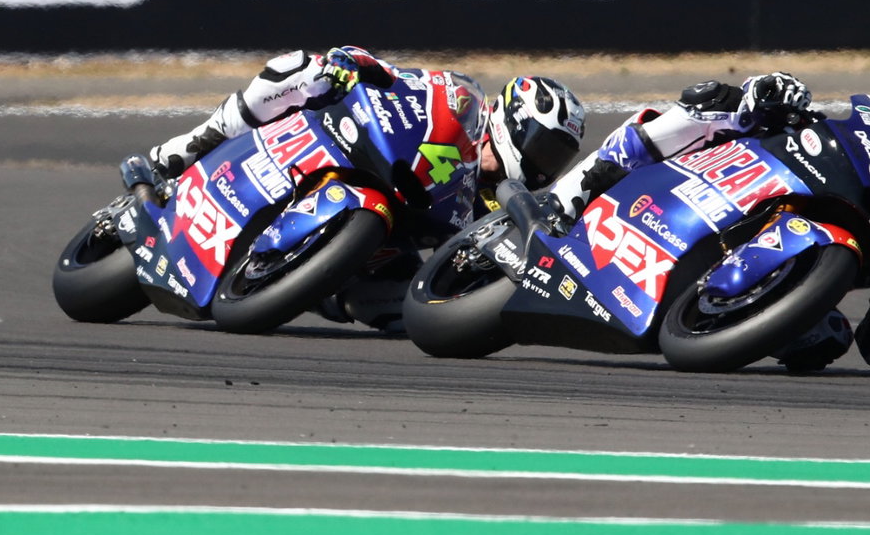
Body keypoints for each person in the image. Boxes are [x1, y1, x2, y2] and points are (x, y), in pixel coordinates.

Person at [547, 71, 870, 372]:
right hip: (755, 172)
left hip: (791, 275)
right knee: (711, 104)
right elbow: (806, 115)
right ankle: (576, 190)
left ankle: (722, 312)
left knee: (829, 339)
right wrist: (773, 97)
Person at [143, 45, 586, 329]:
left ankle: (313, 288)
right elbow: (397, 76)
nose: (543, 165)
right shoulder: (459, 99)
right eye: (542, 147)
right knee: (299, 68)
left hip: (383, 237)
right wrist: (351, 65)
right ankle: (191, 147)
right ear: (513, 121)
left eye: (555, 158)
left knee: (401, 317)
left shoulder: (497, 203)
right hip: (345, 146)